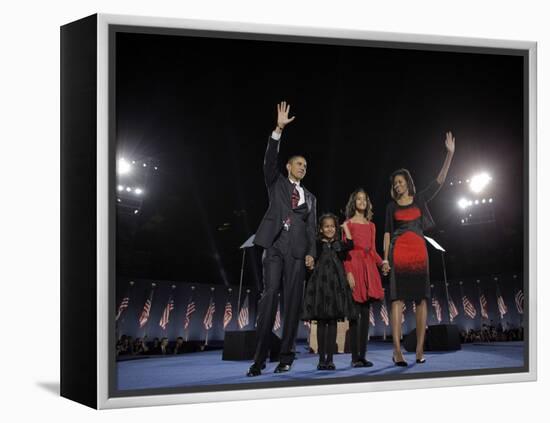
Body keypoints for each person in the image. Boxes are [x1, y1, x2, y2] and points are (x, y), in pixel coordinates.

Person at [247, 102, 317, 377]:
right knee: (268, 299)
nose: (303, 167)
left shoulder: (311, 198)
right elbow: (268, 161)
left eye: (306, 165)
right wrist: (278, 129)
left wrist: (311, 252)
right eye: (299, 163)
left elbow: (312, 228)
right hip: (274, 247)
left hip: (298, 253)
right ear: (288, 166)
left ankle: (286, 356)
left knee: (292, 305)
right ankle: (259, 359)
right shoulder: (275, 182)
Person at [382, 131, 455, 366]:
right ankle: (397, 351)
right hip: (399, 254)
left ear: (408, 182)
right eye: (395, 183)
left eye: (401, 181)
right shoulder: (390, 207)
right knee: (397, 302)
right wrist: (385, 258)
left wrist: (449, 155)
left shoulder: (420, 199)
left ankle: (420, 350)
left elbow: (440, 181)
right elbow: (386, 233)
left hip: (419, 254)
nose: (398, 184)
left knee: (422, 300)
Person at [302, 213, 356, 370]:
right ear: (321, 228)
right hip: (320, 286)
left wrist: (345, 228)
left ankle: (330, 359)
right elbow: (310, 258)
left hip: (334, 287)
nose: (330, 229)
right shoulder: (317, 244)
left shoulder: (339, 244)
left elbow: (351, 244)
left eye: (332, 226)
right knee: (320, 322)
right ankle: (321, 359)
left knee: (332, 322)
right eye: (326, 226)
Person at [342, 189, 385, 367]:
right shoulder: (348, 224)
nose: (361, 202)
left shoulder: (371, 225)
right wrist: (348, 273)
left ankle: (362, 356)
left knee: (366, 315)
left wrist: (382, 263)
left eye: (364, 199)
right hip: (354, 266)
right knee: (354, 315)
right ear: (354, 202)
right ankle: (354, 358)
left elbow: (373, 251)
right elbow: (345, 252)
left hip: (368, 268)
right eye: (358, 199)